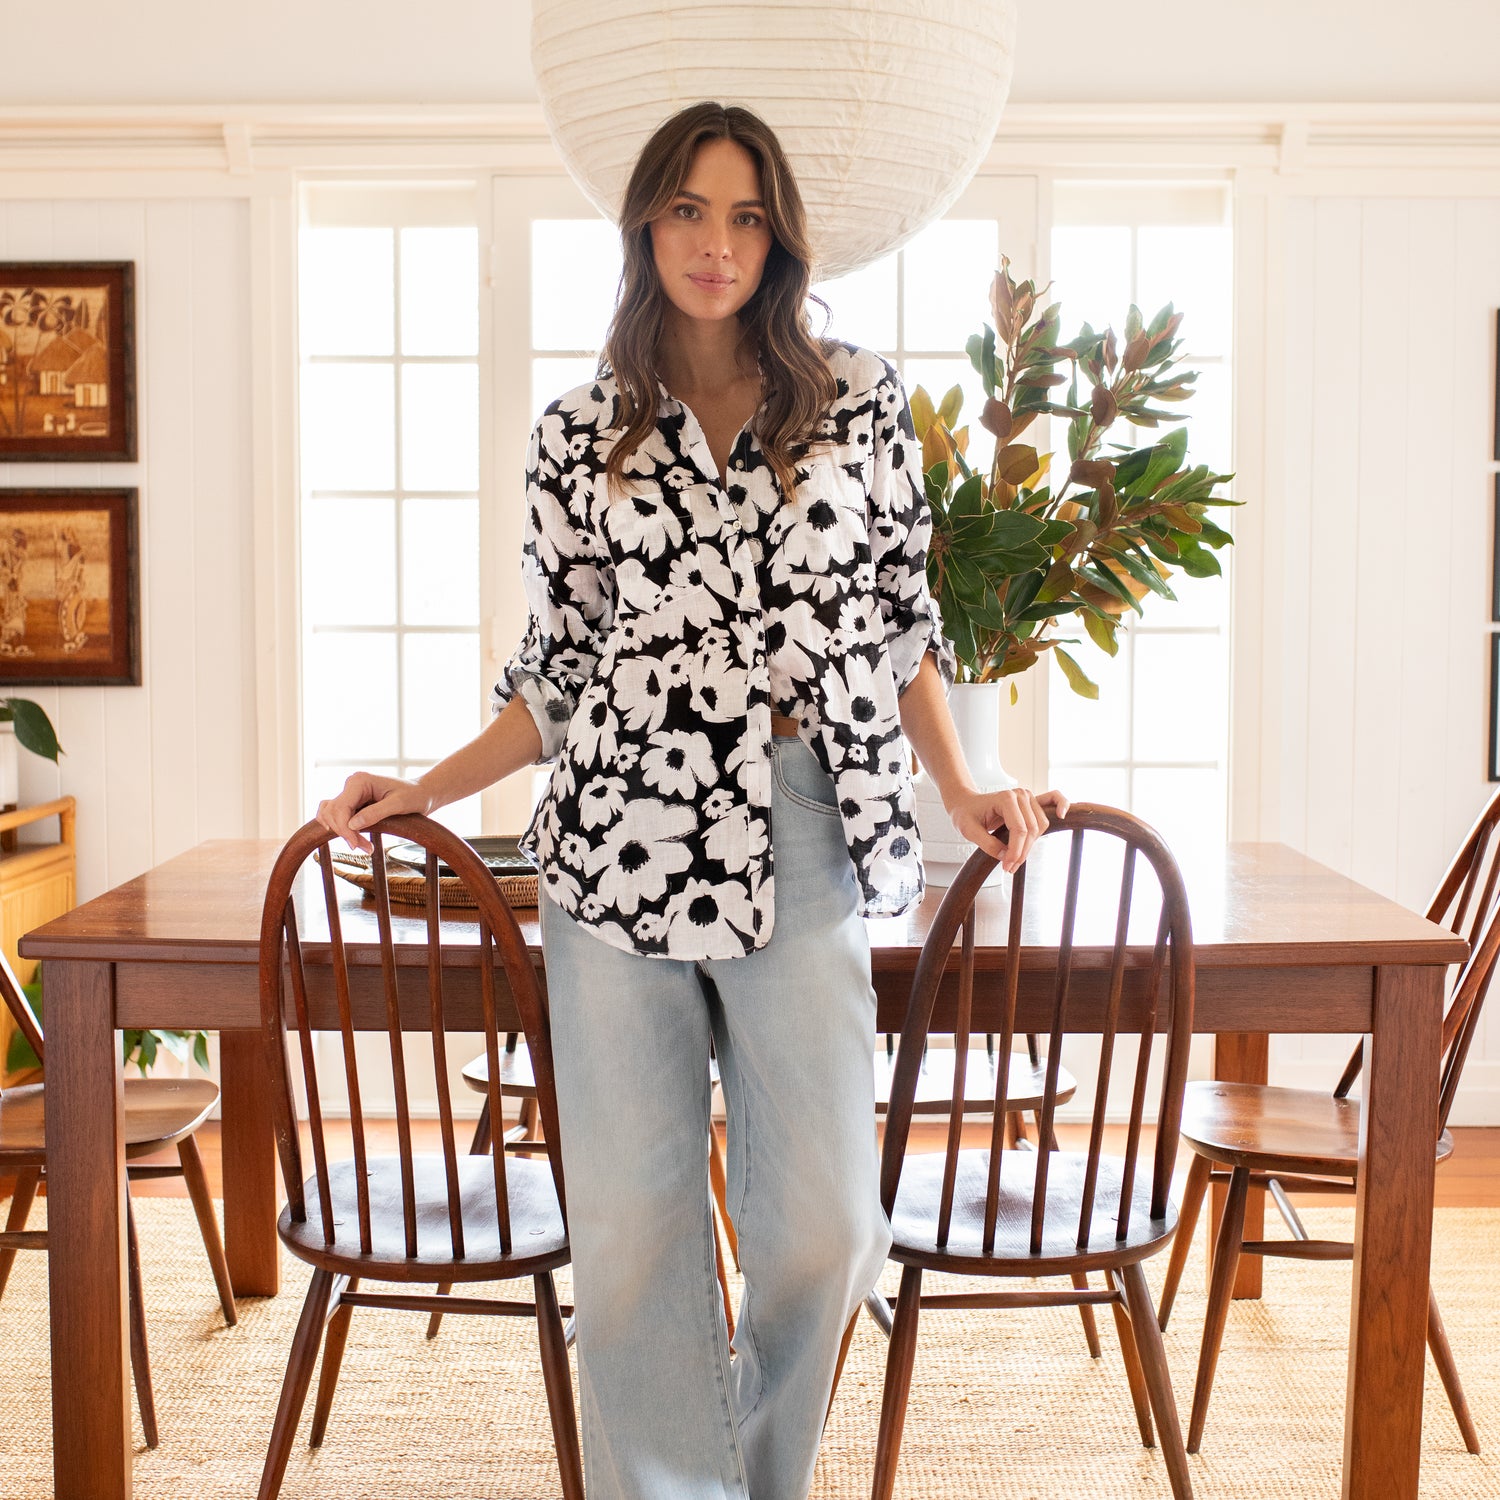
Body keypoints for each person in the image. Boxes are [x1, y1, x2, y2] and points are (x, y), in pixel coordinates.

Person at [318, 100, 1067, 1500]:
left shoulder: (857, 397)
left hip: (807, 821)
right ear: (644, 225)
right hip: (616, 839)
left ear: (778, 235)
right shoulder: (578, 433)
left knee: (831, 1220)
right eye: (686, 211)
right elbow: (553, 675)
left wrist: (963, 787)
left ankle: (753, 1480)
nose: (715, 244)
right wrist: (417, 790)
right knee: (633, 1221)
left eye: (744, 215)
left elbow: (902, 623)